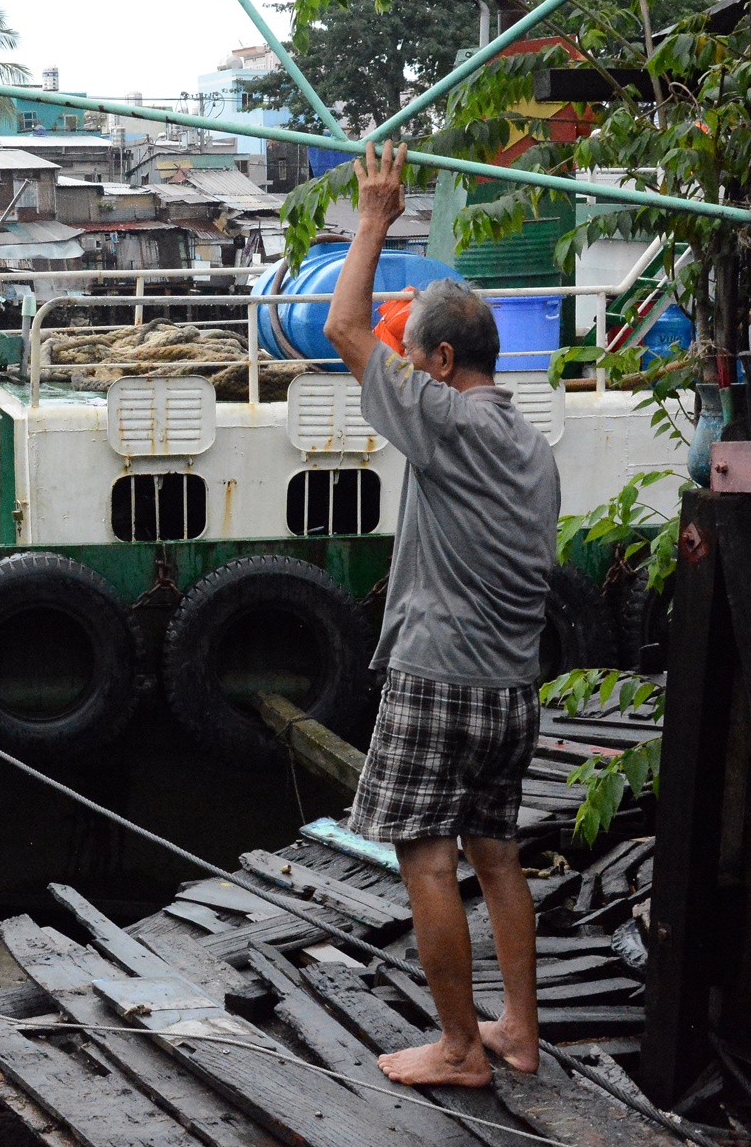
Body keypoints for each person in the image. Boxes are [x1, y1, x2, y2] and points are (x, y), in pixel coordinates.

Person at [324, 142, 560, 1087]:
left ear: (445, 360)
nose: (404, 369)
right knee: (496, 856)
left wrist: (374, 217)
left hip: (439, 680)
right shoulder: (531, 443)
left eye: (415, 355)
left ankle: (461, 1048)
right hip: (511, 688)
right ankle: (518, 1032)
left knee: (424, 857)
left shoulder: (447, 423)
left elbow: (343, 326)